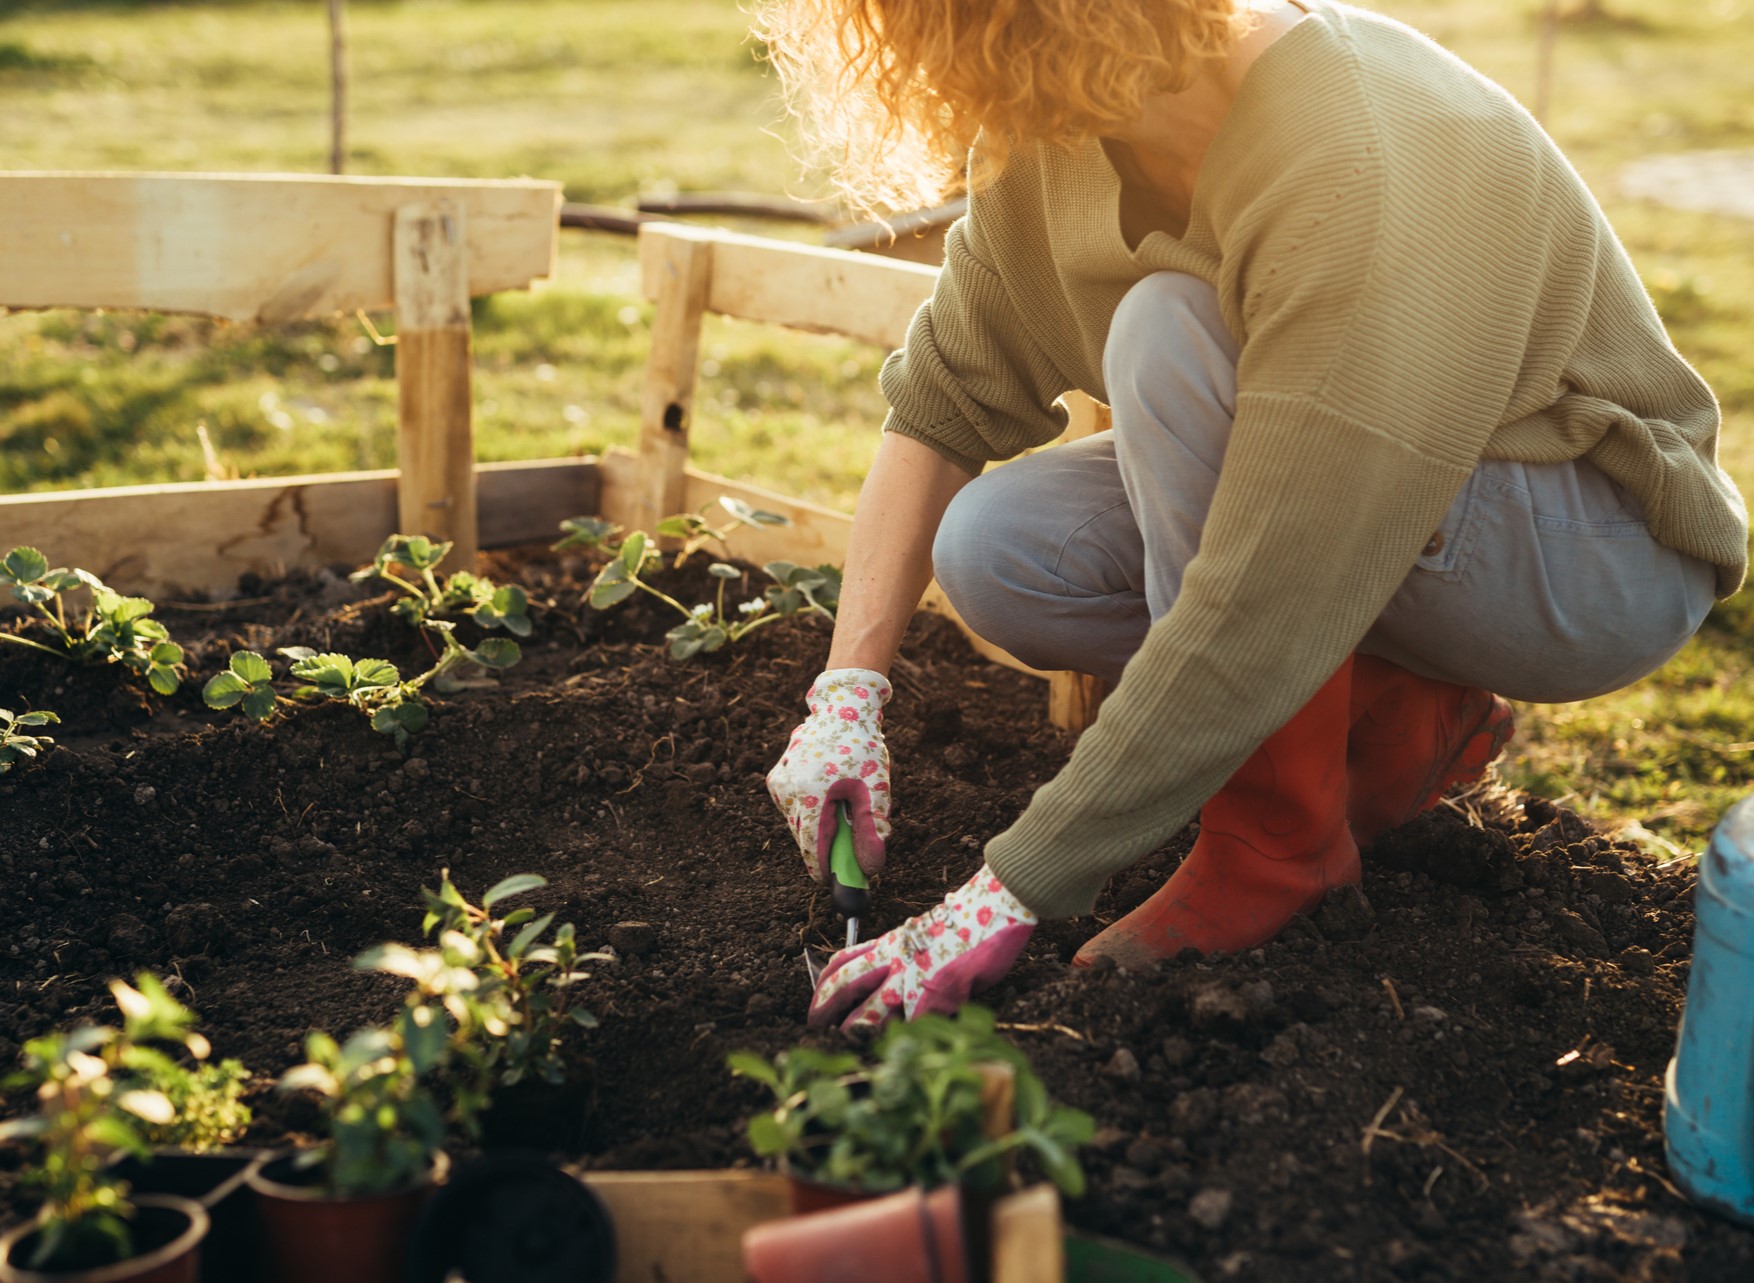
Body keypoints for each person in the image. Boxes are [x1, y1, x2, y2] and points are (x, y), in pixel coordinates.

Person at [761, 0, 1747, 1032]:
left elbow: (1264, 588)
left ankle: (1276, 844)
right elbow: (938, 402)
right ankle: (1400, 706)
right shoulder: (1057, 137)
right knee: (1001, 549)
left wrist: (1001, 893)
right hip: (1385, 514)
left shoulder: (1351, 153)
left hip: (1588, 548)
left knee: (1163, 332)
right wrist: (846, 693)